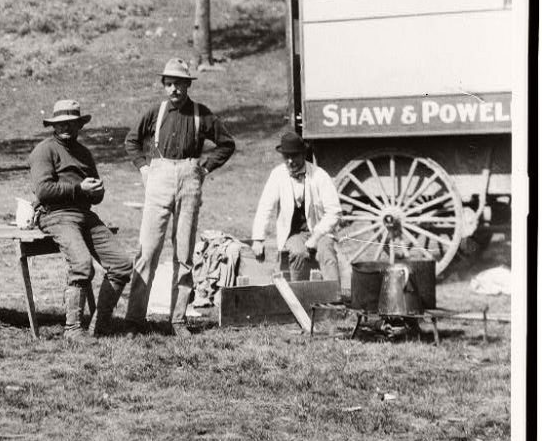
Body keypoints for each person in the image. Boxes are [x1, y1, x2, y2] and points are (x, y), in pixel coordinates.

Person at [124, 57, 236, 336]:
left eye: (179, 84)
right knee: (148, 250)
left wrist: (205, 167)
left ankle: (177, 319)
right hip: (159, 177)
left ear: (188, 85)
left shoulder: (201, 113)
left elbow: (226, 144)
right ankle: (135, 319)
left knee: (184, 253)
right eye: (169, 84)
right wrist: (144, 168)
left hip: (189, 178)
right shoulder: (156, 112)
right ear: (164, 85)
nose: (174, 89)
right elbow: (131, 141)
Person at [30, 99, 132, 340]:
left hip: (84, 214)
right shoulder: (44, 150)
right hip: (55, 215)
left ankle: (100, 325)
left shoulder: (84, 153)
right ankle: (73, 329)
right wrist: (80, 188)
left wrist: (97, 191)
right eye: (62, 123)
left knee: (122, 264)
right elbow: (43, 190)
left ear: (79, 125)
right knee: (82, 265)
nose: (67, 128)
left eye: (72, 123)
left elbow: (94, 195)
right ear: (54, 126)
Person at [251, 131, 341, 281]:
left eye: (294, 156)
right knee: (298, 253)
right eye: (287, 157)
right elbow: (265, 207)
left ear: (303, 154)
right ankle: (299, 297)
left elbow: (334, 212)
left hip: (320, 230)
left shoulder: (319, 175)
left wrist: (316, 236)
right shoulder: (277, 175)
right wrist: (258, 239)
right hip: (294, 233)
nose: (290, 161)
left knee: (327, 253)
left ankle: (334, 299)